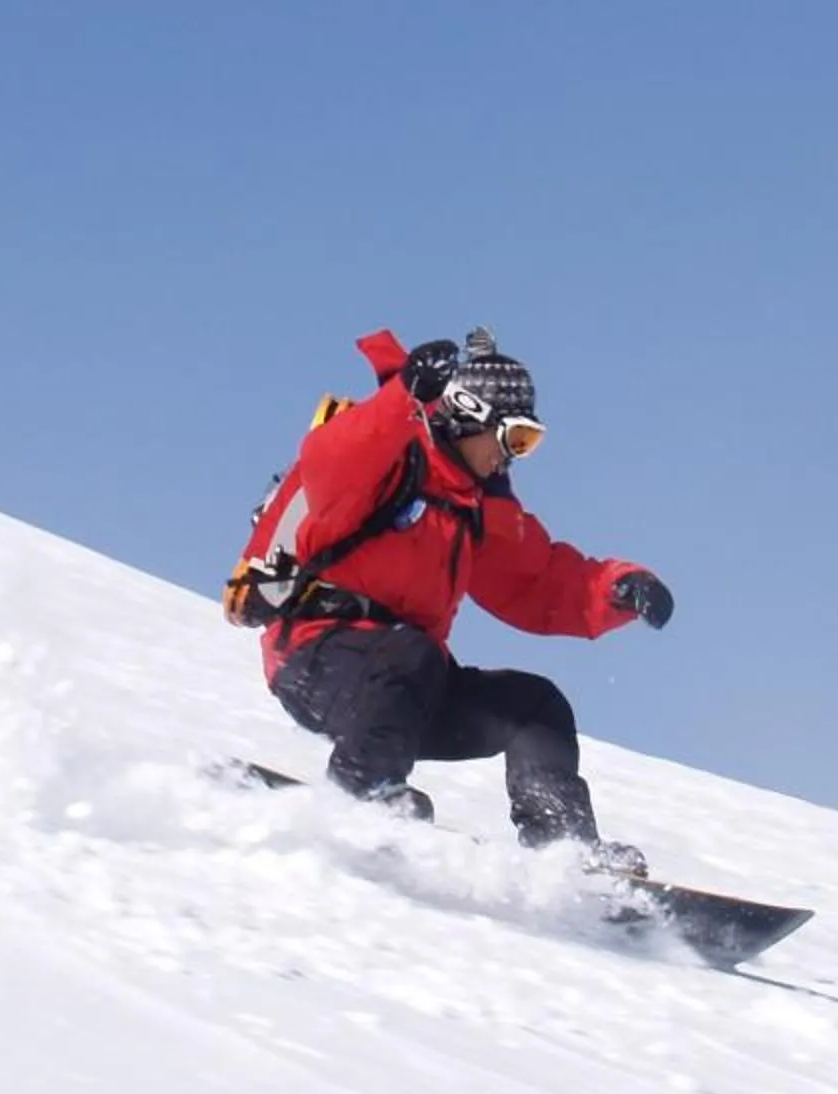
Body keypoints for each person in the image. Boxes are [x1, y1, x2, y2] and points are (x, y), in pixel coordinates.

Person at [230, 327, 674, 873]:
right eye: (515, 438)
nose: (512, 458)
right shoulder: (392, 460)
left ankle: (567, 852)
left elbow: (536, 580)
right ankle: (360, 797)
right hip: (317, 660)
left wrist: (619, 589)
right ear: (469, 415)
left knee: (535, 705)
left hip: (406, 689)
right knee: (413, 651)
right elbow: (331, 460)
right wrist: (404, 394)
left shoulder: (474, 507)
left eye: (528, 443)